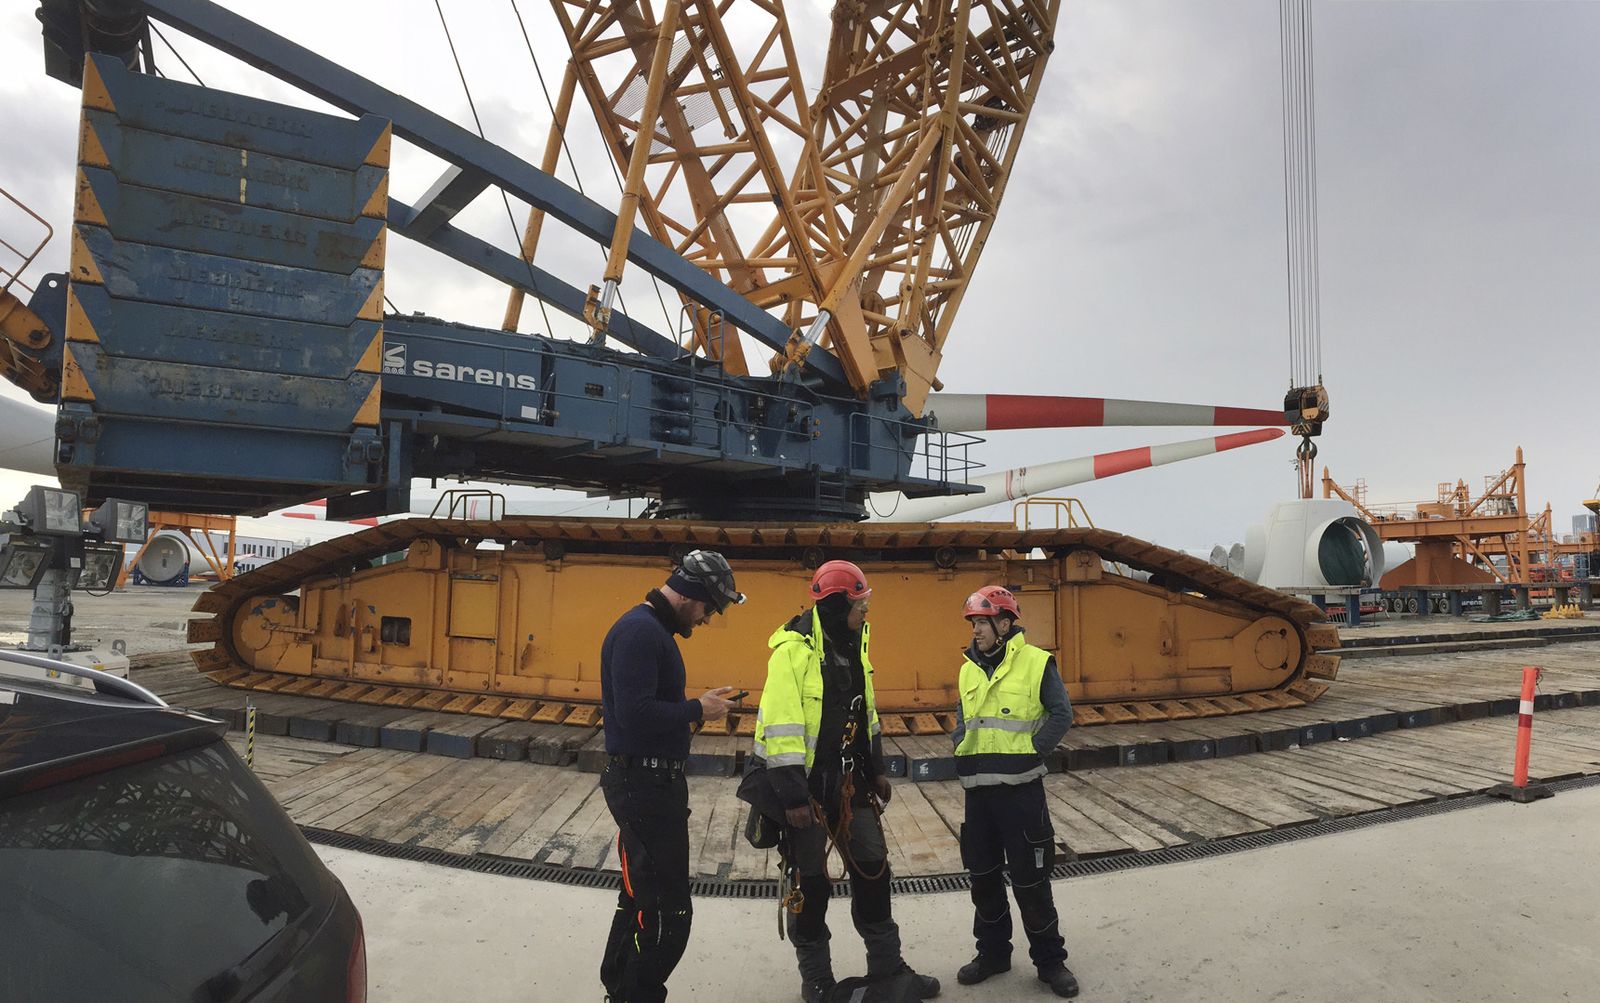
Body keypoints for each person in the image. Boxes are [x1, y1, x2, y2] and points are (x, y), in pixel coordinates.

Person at [746, 560, 940, 1003]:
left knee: (874, 871)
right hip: (807, 794)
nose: (865, 613)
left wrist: (877, 769)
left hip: (852, 788)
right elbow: (781, 730)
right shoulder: (792, 654)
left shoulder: (855, 644)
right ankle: (816, 980)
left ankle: (888, 969)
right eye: (860, 605)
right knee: (809, 886)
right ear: (837, 606)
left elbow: (865, 711)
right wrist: (794, 798)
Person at [598, 550, 745, 1003]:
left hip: (650, 785)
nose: (706, 618)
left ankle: (621, 990)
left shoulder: (651, 630)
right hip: (644, 789)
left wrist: (696, 707)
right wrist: (698, 709)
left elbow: (646, 708)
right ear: (691, 595)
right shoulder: (641, 632)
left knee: (641, 900)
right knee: (669, 915)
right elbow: (635, 713)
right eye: (708, 607)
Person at [950, 585, 1078, 998]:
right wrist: (958, 742)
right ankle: (992, 954)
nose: (976, 631)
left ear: (1004, 624)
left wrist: (1030, 752)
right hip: (978, 794)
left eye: (982, 623)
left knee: (1031, 881)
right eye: (973, 624)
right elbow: (963, 717)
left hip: (1021, 795)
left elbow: (1061, 714)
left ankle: (1050, 962)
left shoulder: (1037, 663)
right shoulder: (968, 667)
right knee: (983, 878)